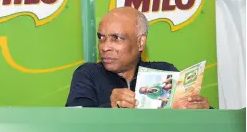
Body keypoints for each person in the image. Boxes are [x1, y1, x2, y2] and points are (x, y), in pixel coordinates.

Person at [65, 7, 210, 109]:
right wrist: (109, 108)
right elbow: (74, 122)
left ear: (140, 42)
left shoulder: (165, 72)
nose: (104, 47)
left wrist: (204, 110)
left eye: (116, 38)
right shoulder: (88, 74)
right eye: (101, 37)